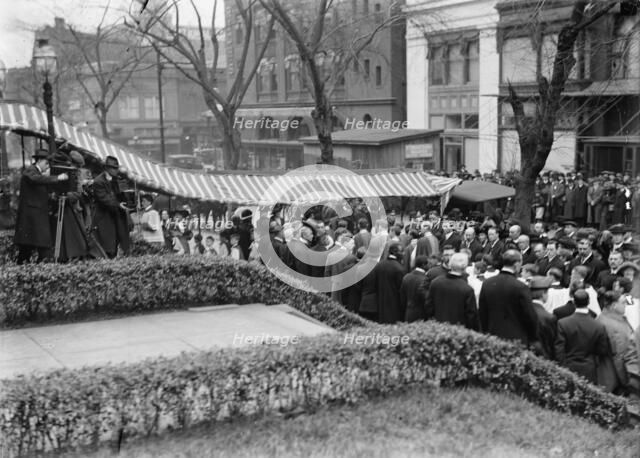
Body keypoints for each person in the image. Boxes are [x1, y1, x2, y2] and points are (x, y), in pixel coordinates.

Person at [14, 149, 69, 264]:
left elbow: (38, 188)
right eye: (46, 163)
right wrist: (57, 178)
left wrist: (51, 197)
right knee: (39, 247)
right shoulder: (30, 171)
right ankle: (41, 269)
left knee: (29, 248)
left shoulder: (36, 173)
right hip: (32, 217)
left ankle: (32, 270)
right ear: (39, 161)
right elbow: (35, 179)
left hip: (35, 216)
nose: (47, 166)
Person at [478, 250, 538, 347]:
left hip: (492, 337)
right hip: (516, 339)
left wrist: (486, 333)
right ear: (517, 263)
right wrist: (532, 337)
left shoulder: (487, 283)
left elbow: (482, 313)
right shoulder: (521, 287)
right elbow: (529, 316)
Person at [554, 289, 610, 385]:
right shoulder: (598, 326)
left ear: (574, 302)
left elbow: (559, 349)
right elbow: (602, 350)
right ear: (588, 302)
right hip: (589, 369)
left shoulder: (563, 323)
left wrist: (562, 368)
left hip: (568, 366)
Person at [425, 252, 479, 331]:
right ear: (465, 266)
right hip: (458, 331)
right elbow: (471, 316)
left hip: (437, 328)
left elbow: (428, 306)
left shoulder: (435, 282)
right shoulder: (467, 289)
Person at [92, 156, 131, 258]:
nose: (116, 171)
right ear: (107, 169)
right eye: (113, 168)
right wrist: (118, 204)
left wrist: (123, 186)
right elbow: (104, 199)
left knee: (121, 242)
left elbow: (123, 196)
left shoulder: (117, 180)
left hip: (117, 215)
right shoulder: (98, 181)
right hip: (104, 217)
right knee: (107, 245)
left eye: (116, 168)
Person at [596, 291, 633, 394]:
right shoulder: (613, 326)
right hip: (614, 380)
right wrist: (626, 381)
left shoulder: (603, 318)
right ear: (613, 306)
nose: (625, 305)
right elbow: (619, 356)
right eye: (623, 302)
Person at [375, 243, 406, 323]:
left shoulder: (379, 265)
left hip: (380, 303)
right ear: (395, 252)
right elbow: (401, 290)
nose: (404, 254)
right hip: (395, 305)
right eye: (402, 251)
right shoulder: (399, 269)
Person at [529, 276, 558, 360]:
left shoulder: (520, 310)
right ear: (543, 294)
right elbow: (552, 343)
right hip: (542, 359)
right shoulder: (549, 317)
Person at [402, 255, 429, 323]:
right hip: (421, 314)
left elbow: (402, 296)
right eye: (428, 264)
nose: (429, 266)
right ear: (423, 265)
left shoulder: (406, 277)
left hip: (408, 312)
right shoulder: (425, 279)